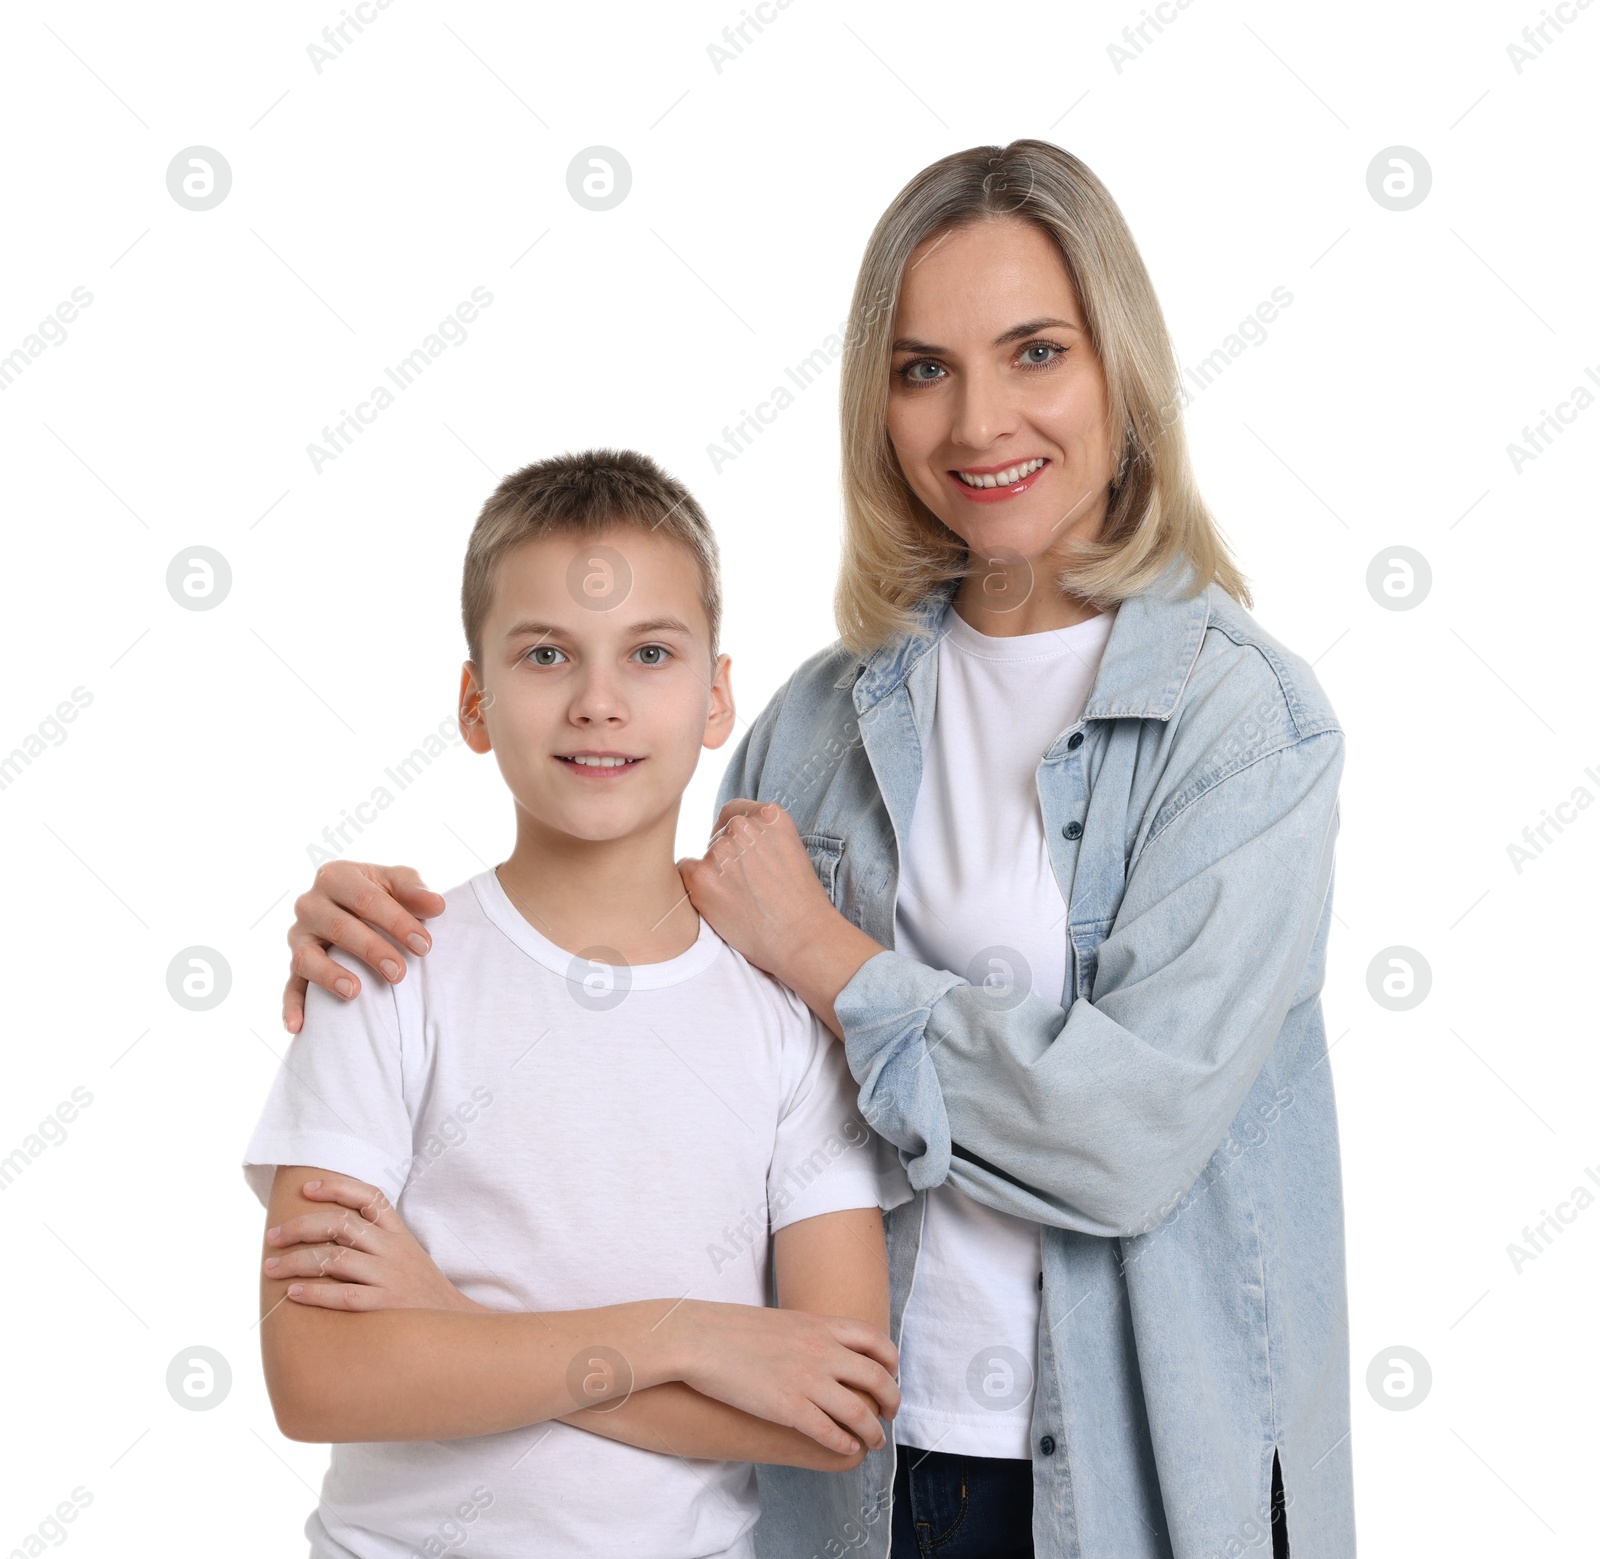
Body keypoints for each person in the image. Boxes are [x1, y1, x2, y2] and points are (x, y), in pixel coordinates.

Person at [280, 141, 1352, 1559]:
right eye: (922, 369)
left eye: (1035, 351)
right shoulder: (823, 719)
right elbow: (635, 966)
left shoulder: (1244, 726)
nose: (979, 421)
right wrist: (377, 919)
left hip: (1133, 1477)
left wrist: (831, 957)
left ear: (1123, 373)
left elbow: (1125, 1136)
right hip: (847, 1483)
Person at [245, 449, 905, 1559]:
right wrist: (687, 1337)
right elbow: (317, 1376)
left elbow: (837, 1415)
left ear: (715, 696)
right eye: (546, 653)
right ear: (474, 702)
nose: (599, 701)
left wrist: (453, 1326)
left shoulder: (786, 1026)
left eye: (649, 652)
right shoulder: (385, 970)